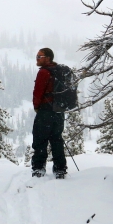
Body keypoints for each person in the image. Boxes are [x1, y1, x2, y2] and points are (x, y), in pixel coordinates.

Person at [31, 47, 67, 179]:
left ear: (48, 58)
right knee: (57, 139)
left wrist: (36, 106)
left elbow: (38, 92)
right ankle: (60, 170)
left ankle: (39, 168)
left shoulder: (44, 72)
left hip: (46, 111)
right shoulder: (59, 71)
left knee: (40, 139)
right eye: (37, 56)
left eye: (39, 56)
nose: (37, 58)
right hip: (59, 111)